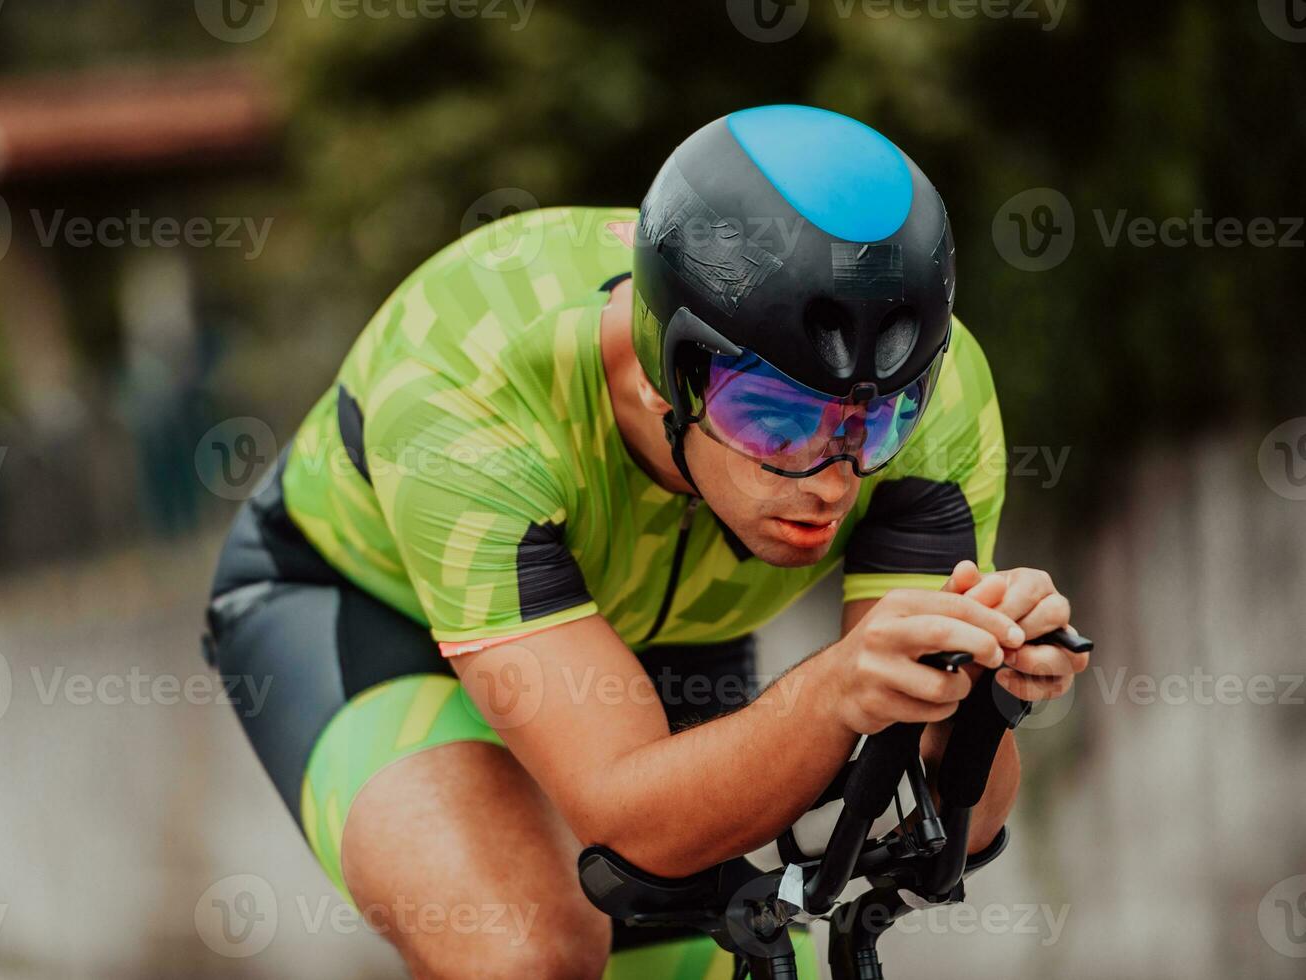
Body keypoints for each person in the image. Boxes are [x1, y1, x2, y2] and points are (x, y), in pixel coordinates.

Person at [202, 104, 1088, 979]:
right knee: (527, 949)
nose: (833, 476)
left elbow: (957, 827)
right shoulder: (465, 387)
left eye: (878, 420)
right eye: (778, 420)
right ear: (672, 370)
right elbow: (630, 821)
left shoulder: (939, 401)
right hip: (363, 606)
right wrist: (831, 695)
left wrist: (982, 701)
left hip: (659, 633)